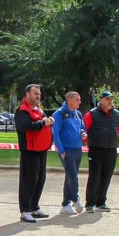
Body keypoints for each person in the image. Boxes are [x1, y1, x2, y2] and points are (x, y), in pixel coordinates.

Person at [15, 83, 54, 223]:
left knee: (40, 179)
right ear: (27, 95)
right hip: (29, 151)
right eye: (35, 93)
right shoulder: (22, 111)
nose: (38, 96)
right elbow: (25, 126)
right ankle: (25, 210)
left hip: (41, 150)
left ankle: (34, 207)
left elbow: (42, 124)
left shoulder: (38, 109)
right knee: (28, 181)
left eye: (39, 94)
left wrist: (49, 121)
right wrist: (43, 123)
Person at [83, 91, 119, 213]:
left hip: (111, 149)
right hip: (96, 149)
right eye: (107, 99)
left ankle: (101, 202)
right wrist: (87, 140)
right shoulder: (91, 114)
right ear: (101, 100)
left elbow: (118, 129)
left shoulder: (117, 114)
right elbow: (84, 129)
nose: (110, 101)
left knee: (106, 176)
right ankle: (90, 203)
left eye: (111, 99)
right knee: (94, 176)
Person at [51, 91, 87, 215]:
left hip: (78, 149)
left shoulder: (78, 114)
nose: (79, 102)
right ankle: (75, 200)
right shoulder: (59, 114)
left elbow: (82, 127)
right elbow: (55, 134)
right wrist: (61, 150)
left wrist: (83, 133)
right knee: (73, 176)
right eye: (77, 99)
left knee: (70, 176)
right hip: (67, 150)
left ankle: (65, 204)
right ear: (69, 100)